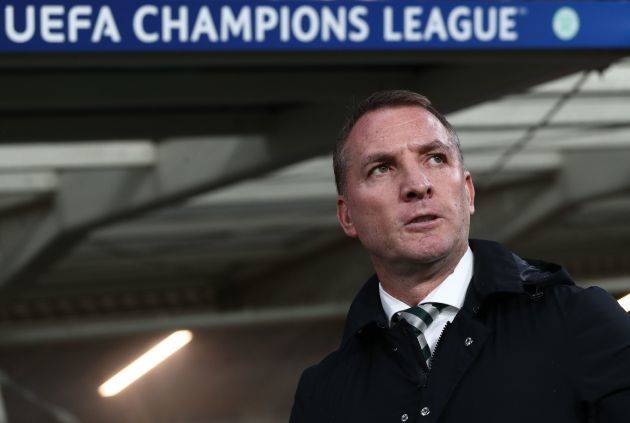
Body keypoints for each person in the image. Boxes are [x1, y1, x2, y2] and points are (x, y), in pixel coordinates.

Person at [289, 90, 630, 423]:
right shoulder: (323, 393)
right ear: (347, 215)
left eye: (435, 158)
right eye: (382, 168)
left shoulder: (580, 321)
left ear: (467, 191)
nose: (417, 185)